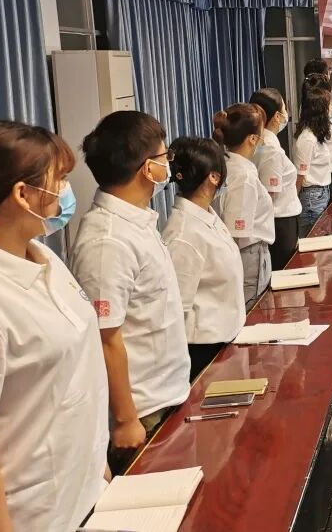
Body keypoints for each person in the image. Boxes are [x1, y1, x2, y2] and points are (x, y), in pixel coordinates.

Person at [0, 122, 108, 531]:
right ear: (22, 194)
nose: (66, 191)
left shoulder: (43, 258)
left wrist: (97, 466)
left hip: (82, 494)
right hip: (32, 516)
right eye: (60, 179)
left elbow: (74, 378)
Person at [71, 111, 189, 473]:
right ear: (147, 168)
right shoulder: (107, 241)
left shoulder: (135, 219)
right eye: (165, 156)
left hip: (167, 391)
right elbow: (106, 338)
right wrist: (125, 420)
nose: (169, 163)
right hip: (143, 410)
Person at [163, 137, 246, 381]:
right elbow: (177, 310)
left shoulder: (205, 215)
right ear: (214, 177)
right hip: (202, 350)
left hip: (224, 338)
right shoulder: (183, 234)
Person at [214, 103, 275, 308]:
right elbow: (236, 231)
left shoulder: (228, 163)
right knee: (251, 311)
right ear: (252, 139)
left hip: (241, 253)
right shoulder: (243, 175)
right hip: (247, 255)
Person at [249, 88, 301, 271]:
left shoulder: (262, 141)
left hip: (280, 220)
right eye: (285, 109)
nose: (287, 114)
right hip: (279, 222)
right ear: (277, 116)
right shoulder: (269, 147)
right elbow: (269, 195)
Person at [295, 88, 332, 237]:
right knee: (313, 240)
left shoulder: (317, 135)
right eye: (329, 105)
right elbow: (300, 176)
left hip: (321, 194)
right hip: (312, 197)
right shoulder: (307, 139)